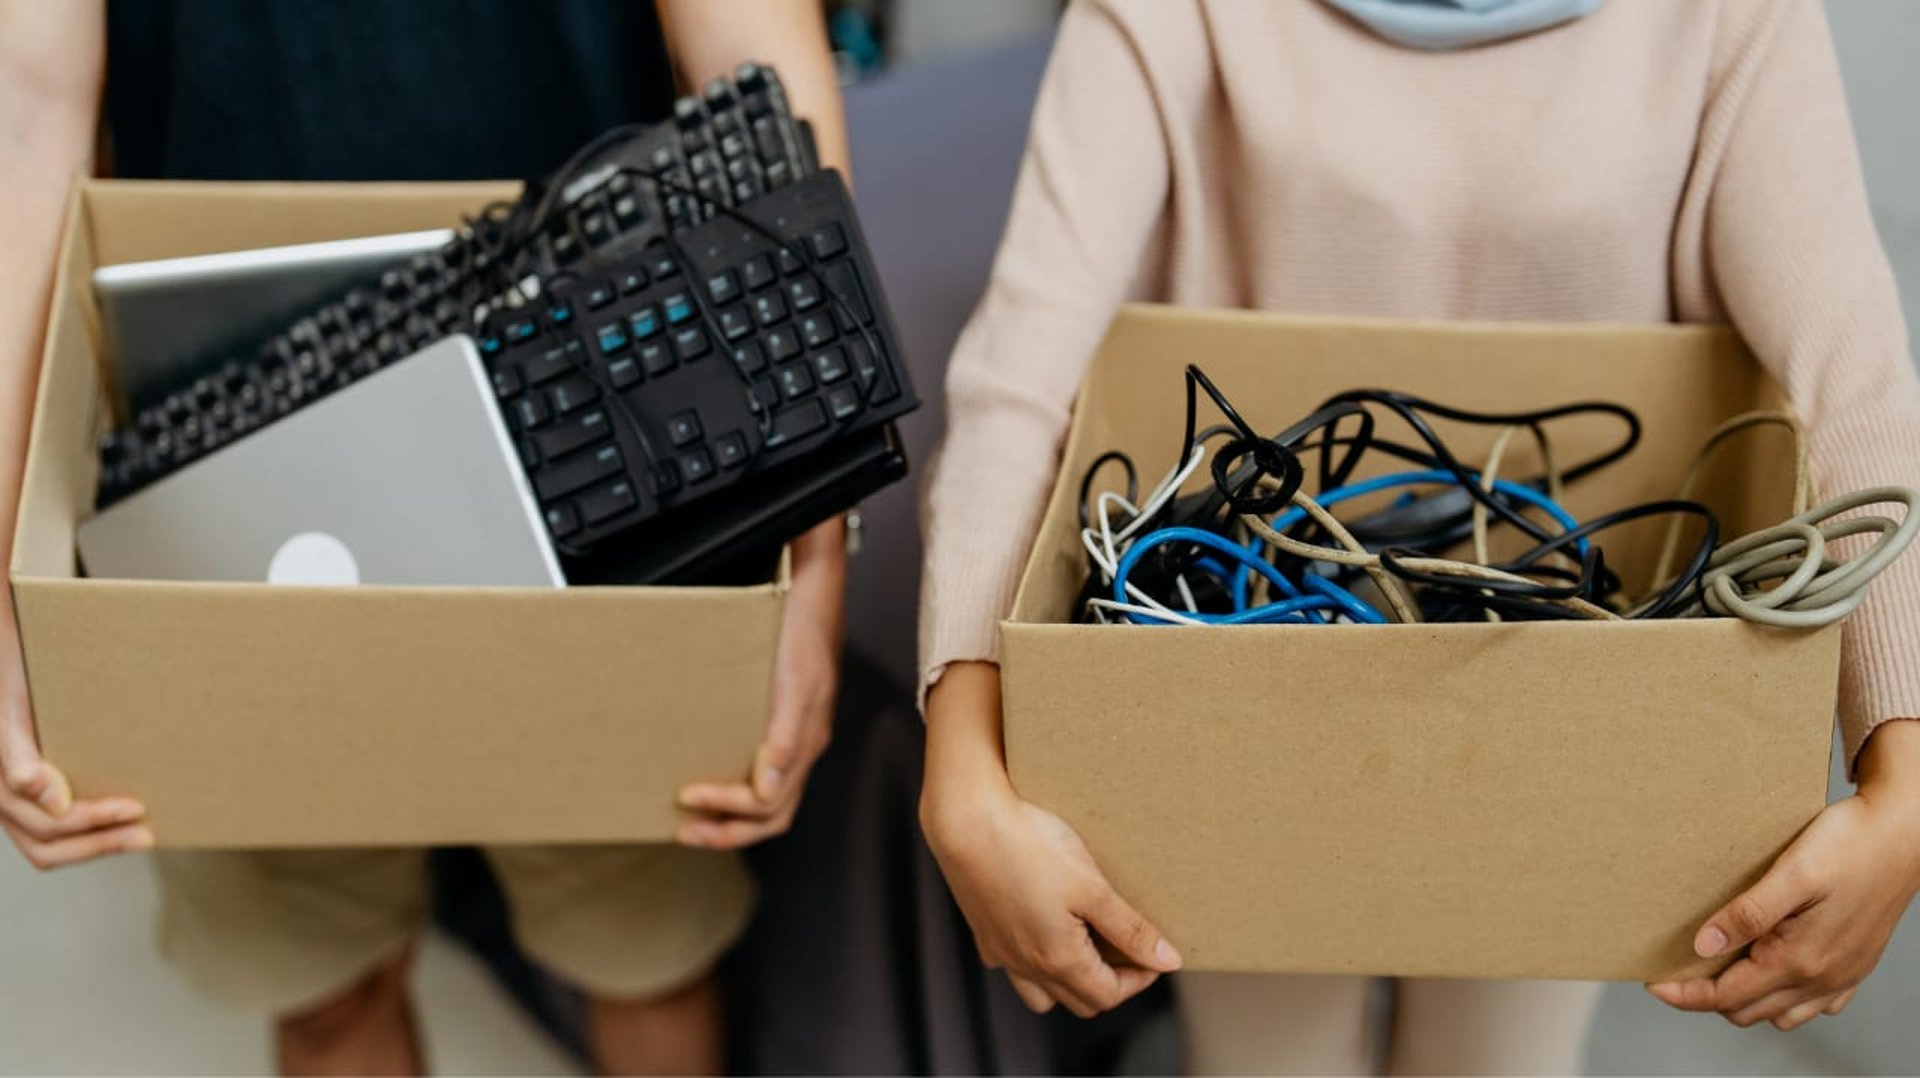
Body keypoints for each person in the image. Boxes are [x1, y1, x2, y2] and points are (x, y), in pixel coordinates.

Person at [918, 0, 1920, 1073]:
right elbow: (1018, 382)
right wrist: (962, 759)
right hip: (1230, 704)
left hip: (1578, 712)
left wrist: (1904, 771)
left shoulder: (1729, 17)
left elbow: (1850, 378)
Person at [0, 1, 849, 1073]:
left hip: (608, 392)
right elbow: (24, 126)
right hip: (222, 441)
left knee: (646, 956)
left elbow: (758, 60)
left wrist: (816, 558)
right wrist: (5, 587)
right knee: (321, 988)